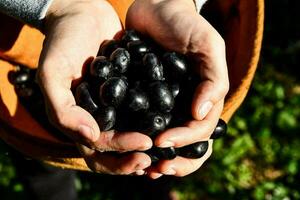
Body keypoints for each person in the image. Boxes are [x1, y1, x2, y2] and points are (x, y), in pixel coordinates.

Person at [0, 0, 229, 198]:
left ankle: (153, 188)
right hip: (25, 48)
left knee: (153, 156)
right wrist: (55, 5)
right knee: (44, 155)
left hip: (159, 26)